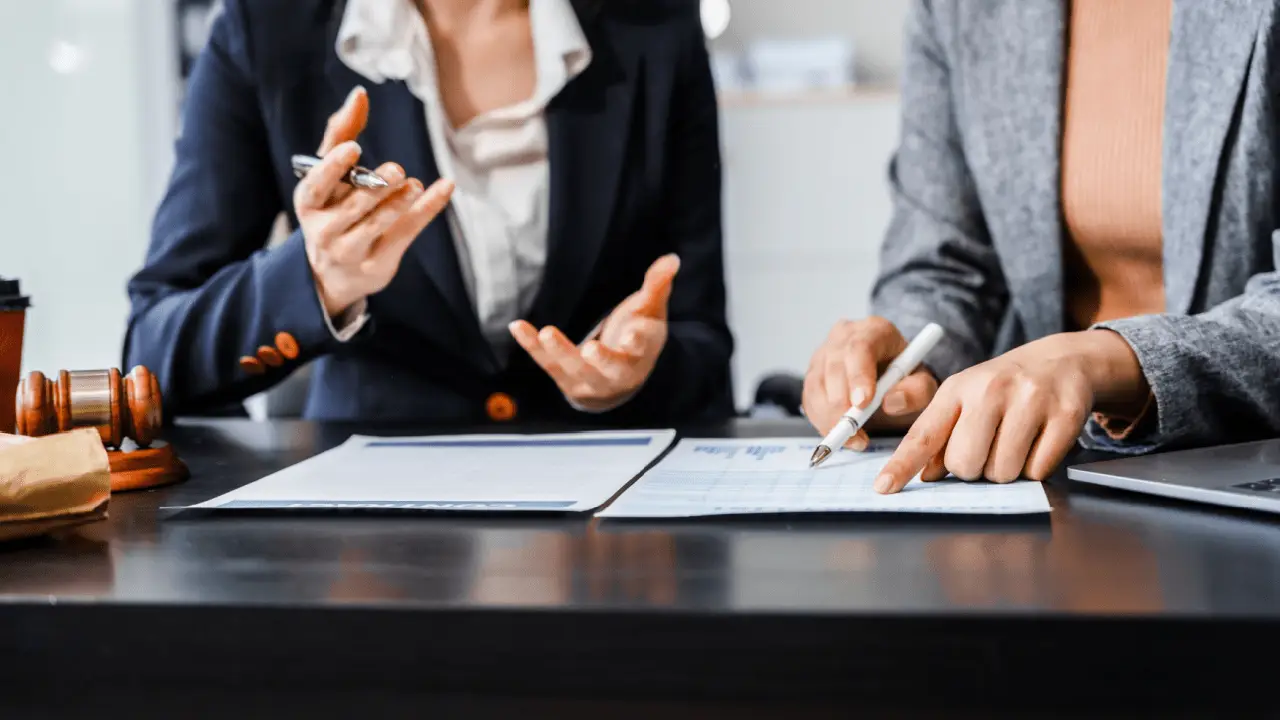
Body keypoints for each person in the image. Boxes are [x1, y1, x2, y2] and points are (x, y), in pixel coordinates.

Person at [123, 0, 734, 425]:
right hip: (366, 553)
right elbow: (152, 355)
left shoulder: (657, 27)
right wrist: (314, 281)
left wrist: (637, 373)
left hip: (603, 531)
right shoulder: (267, 30)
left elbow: (703, 338)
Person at [804, 0, 1280, 493]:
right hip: (1048, 478)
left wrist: (1108, 362)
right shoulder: (958, 10)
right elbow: (944, 262)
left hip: (1247, 472)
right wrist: (903, 370)